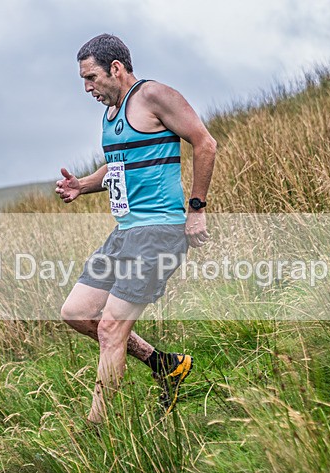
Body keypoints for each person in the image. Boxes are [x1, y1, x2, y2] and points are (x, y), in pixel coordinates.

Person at [55, 33, 216, 424]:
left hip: (159, 231)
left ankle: (97, 433)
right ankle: (163, 364)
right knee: (75, 312)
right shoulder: (110, 117)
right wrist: (83, 185)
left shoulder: (154, 96)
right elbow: (118, 169)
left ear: (116, 68)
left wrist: (196, 209)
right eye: (83, 81)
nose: (87, 88)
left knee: (111, 329)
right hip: (125, 232)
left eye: (91, 78)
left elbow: (204, 143)